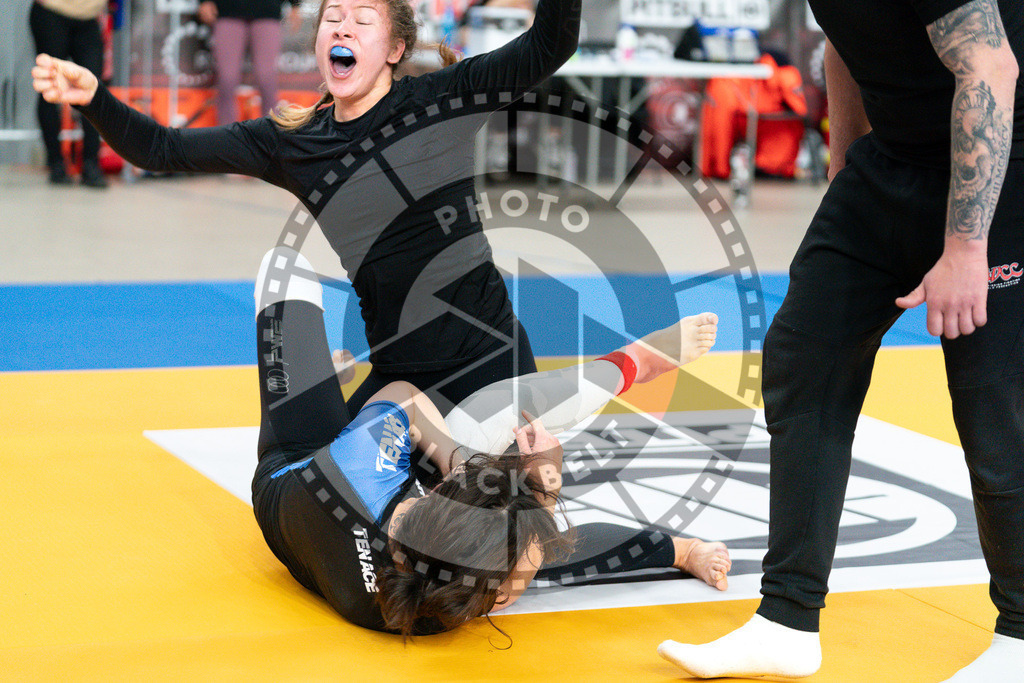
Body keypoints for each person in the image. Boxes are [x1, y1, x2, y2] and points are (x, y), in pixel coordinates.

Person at [657, 0, 1024, 680]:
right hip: (893, 159)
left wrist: (967, 247)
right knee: (805, 352)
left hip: (1003, 159)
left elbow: (989, 65)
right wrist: (846, 176)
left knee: (992, 398)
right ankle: (788, 617)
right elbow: (844, 40)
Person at [31, 0, 581, 417]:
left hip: (491, 364)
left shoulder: (443, 100)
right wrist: (94, 98)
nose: (341, 27)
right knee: (333, 509)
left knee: (506, 529)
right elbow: (163, 149)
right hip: (399, 379)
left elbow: (548, 45)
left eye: (362, 19)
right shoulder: (292, 140)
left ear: (393, 48)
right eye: (331, 18)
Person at [252, 246, 730, 635]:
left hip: (294, 465)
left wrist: (463, 461)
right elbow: (571, 555)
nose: (509, 597)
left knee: (283, 267)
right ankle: (633, 363)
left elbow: (405, 398)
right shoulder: (461, 587)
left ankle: (328, 394)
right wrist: (681, 551)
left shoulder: (365, 475)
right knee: (500, 405)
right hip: (357, 494)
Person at [29, 0, 108, 187]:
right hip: (52, 11)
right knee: (49, 87)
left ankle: (91, 164)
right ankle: (56, 163)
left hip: (89, 16)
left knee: (94, 91)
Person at [196, 0, 303, 125]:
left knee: (266, 79)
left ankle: (273, 135)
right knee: (226, 80)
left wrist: (295, 5)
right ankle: (225, 137)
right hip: (228, 11)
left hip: (267, 12)